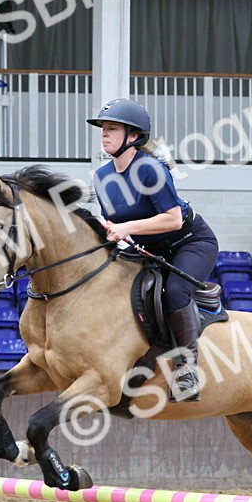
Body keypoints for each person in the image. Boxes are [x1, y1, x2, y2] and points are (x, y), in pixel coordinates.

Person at [88, 98, 219, 401]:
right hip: (149, 251)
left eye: (112, 128)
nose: (104, 133)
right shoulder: (102, 177)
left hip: (189, 243)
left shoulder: (150, 169)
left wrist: (126, 229)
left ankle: (186, 369)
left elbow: (172, 219)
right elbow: (114, 223)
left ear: (133, 136)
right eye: (102, 129)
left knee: (174, 292)